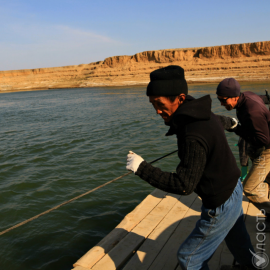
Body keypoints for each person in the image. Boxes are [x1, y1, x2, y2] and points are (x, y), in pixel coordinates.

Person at [126, 65, 254, 269]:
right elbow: (214, 119)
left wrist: (142, 168)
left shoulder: (192, 133)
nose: (157, 111)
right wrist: (229, 121)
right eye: (153, 104)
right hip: (234, 189)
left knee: (189, 258)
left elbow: (184, 185)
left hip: (221, 202)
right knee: (239, 242)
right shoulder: (200, 111)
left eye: (160, 103)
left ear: (181, 98)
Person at [216, 78, 270, 231]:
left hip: (268, 149)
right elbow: (261, 98)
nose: (221, 103)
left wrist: (235, 128)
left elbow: (263, 140)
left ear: (234, 96)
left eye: (223, 100)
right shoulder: (247, 95)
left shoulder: (251, 111)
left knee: (250, 188)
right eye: (219, 99)